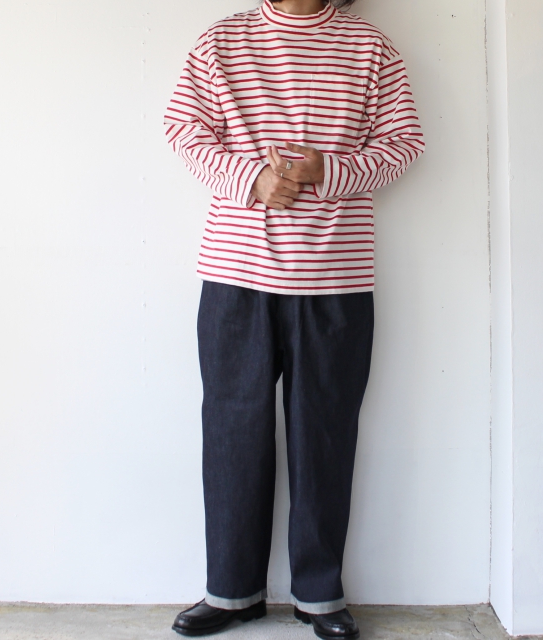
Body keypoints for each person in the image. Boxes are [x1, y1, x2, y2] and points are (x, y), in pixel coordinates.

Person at [163, 0, 424, 637]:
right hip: (236, 276)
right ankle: (230, 592)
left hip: (336, 280)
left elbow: (405, 144)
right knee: (232, 433)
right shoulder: (222, 41)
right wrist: (251, 178)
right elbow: (183, 131)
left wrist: (329, 170)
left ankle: (319, 594)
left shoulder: (369, 47)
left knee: (325, 437)